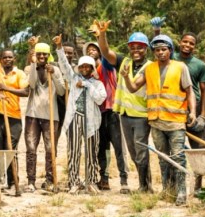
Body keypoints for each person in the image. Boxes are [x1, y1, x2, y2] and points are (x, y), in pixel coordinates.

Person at [121, 34, 196, 206]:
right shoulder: (149, 69)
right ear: (153, 52)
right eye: (157, 50)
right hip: (156, 121)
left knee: (178, 157)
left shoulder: (180, 67)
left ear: (170, 50)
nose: (160, 53)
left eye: (164, 49)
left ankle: (182, 193)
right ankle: (167, 189)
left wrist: (192, 112)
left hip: (175, 120)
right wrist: (126, 77)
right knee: (163, 158)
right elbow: (133, 88)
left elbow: (190, 91)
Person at [93, 20, 153, 193]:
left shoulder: (150, 67)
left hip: (141, 115)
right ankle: (145, 184)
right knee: (134, 153)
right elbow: (104, 51)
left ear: (145, 49)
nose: (136, 50)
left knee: (141, 151)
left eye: (140, 47)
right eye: (133, 46)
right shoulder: (123, 61)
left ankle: (144, 186)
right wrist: (102, 34)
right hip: (125, 114)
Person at [0, 12, 29, 191]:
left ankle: (13, 180)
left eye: (10, 57)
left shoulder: (20, 74)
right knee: (1, 149)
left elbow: (25, 91)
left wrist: (6, 89)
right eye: (5, 57)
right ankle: (2, 180)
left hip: (14, 117)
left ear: (14, 59)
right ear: (1, 60)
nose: (7, 59)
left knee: (11, 149)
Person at [55, 35, 106, 195]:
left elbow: (99, 99)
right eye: (82, 67)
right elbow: (64, 66)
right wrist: (59, 48)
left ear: (92, 69)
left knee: (92, 151)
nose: (84, 69)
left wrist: (86, 85)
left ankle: (91, 181)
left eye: (87, 67)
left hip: (92, 121)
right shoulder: (73, 78)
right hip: (74, 119)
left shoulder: (97, 84)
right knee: (74, 151)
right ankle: (74, 182)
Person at [84, 39, 128, 193]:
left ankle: (124, 180)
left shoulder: (106, 65)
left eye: (93, 49)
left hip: (112, 110)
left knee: (119, 147)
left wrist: (100, 38)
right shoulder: (87, 72)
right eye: (88, 50)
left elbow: (106, 52)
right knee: (102, 148)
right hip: (97, 114)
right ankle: (104, 178)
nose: (91, 51)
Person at [23, 39, 65, 192]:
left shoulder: (55, 69)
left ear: (48, 55)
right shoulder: (30, 68)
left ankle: (49, 180)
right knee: (31, 149)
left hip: (51, 116)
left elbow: (61, 91)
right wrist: (34, 64)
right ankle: (31, 182)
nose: (41, 56)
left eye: (44, 54)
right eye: (39, 54)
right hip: (32, 115)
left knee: (50, 150)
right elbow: (32, 84)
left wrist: (54, 75)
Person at [175, 31, 205, 190]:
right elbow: (157, 47)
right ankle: (176, 185)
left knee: (199, 149)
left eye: (191, 43)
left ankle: (197, 186)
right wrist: (157, 31)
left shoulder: (199, 65)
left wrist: (202, 116)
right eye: (185, 42)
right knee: (175, 147)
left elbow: (204, 91)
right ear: (180, 42)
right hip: (175, 107)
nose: (187, 45)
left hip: (193, 107)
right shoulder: (171, 59)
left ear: (195, 47)